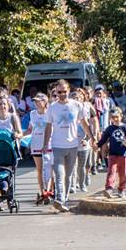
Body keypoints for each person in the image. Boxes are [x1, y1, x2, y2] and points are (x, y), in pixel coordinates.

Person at [41, 79, 95, 213]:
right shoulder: (52, 107)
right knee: (59, 174)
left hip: (72, 145)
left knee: (68, 175)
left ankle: (63, 200)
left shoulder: (77, 105)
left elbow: (84, 123)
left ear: (69, 91)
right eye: (59, 92)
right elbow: (48, 126)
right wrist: (44, 144)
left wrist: (91, 138)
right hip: (57, 145)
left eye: (64, 91)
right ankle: (59, 199)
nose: (62, 94)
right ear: (56, 93)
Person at [96, 107, 126, 198]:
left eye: (116, 117)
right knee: (111, 171)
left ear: (121, 116)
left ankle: (121, 190)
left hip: (124, 154)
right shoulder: (109, 128)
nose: (115, 119)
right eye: (113, 117)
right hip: (112, 154)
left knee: (123, 173)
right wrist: (97, 145)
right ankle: (109, 189)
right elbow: (104, 139)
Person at [73, 88, 97, 193]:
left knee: (86, 164)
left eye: (78, 97)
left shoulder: (87, 107)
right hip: (72, 142)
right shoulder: (69, 110)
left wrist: (91, 137)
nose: (76, 99)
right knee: (73, 166)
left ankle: (83, 180)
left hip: (84, 140)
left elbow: (92, 122)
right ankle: (74, 184)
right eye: (74, 97)